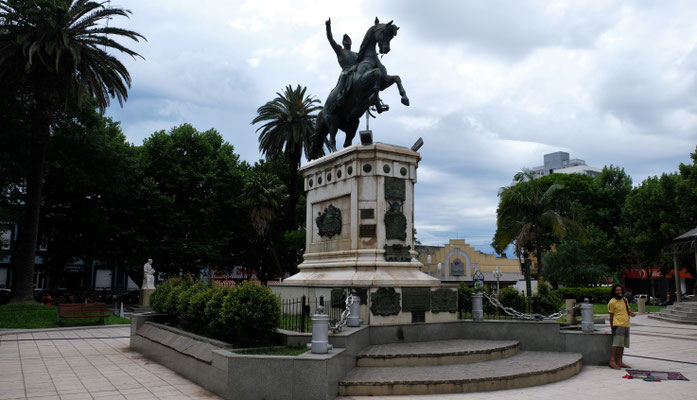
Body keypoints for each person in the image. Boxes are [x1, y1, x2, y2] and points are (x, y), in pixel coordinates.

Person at [608, 283, 636, 369]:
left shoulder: (624, 299)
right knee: (616, 343)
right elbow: (611, 317)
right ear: (614, 291)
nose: (618, 292)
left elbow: (627, 310)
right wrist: (612, 327)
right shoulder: (612, 302)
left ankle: (620, 361)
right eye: (617, 290)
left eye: (620, 290)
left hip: (626, 324)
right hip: (618, 324)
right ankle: (612, 361)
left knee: (622, 344)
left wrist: (631, 313)